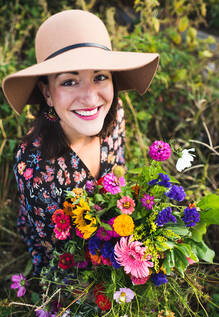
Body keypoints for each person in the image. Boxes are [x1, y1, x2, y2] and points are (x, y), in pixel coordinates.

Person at [2, 9, 159, 274]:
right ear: (47, 93)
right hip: (65, 260)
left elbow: (118, 184)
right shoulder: (34, 166)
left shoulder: (115, 115)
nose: (89, 98)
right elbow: (59, 255)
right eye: (70, 82)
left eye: (99, 77)